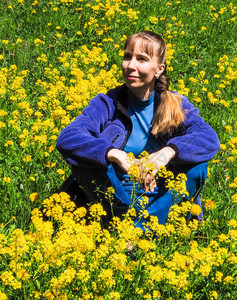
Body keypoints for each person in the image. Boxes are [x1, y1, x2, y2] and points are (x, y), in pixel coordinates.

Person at [56, 31, 219, 229]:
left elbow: (209, 139)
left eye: (141, 59)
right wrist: (114, 154)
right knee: (87, 162)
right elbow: (68, 138)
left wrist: (167, 153)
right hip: (114, 196)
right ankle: (126, 226)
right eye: (127, 56)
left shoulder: (177, 104)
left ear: (159, 69)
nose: (130, 65)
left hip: (162, 197)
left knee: (197, 167)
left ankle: (141, 229)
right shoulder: (107, 103)